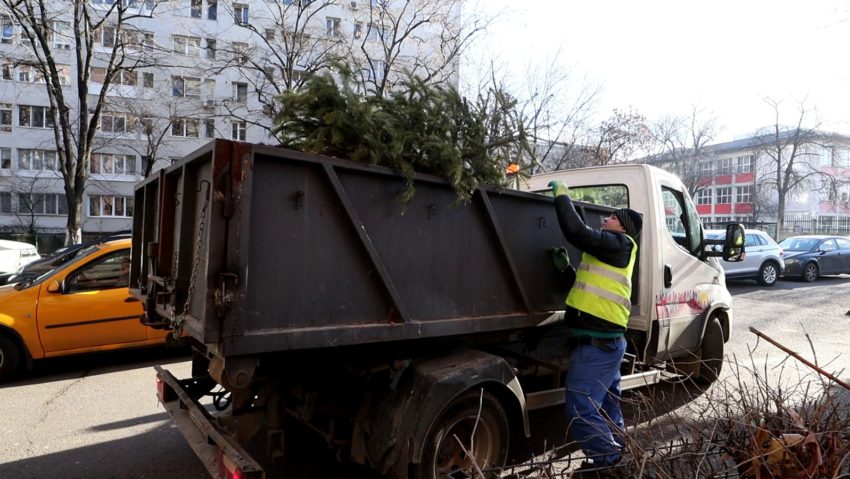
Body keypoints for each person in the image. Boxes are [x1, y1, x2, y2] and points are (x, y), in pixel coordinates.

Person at [548, 180, 643, 471]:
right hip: (606, 342)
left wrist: (562, 196)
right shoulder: (611, 250)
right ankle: (621, 450)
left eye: (612, 217)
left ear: (623, 227)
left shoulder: (621, 243)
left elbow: (576, 232)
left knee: (580, 407)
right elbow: (589, 290)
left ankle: (610, 462)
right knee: (608, 406)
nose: (605, 219)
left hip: (598, 345)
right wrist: (567, 271)